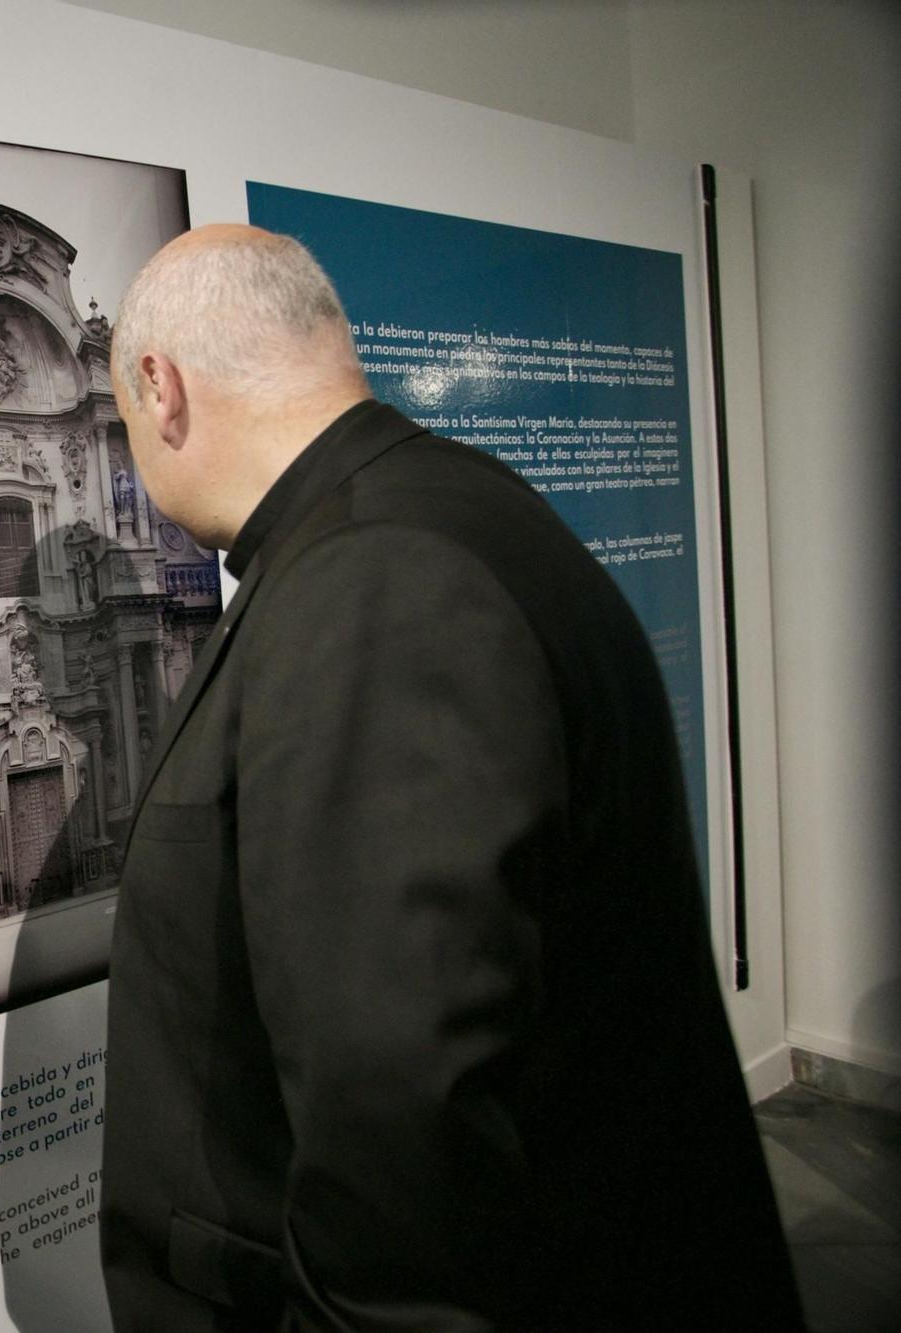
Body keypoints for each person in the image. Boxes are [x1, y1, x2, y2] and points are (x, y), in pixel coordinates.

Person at [97, 225, 799, 1330]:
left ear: (159, 384)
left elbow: (400, 1141)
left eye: (126, 422)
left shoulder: (372, 583)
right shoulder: (441, 506)